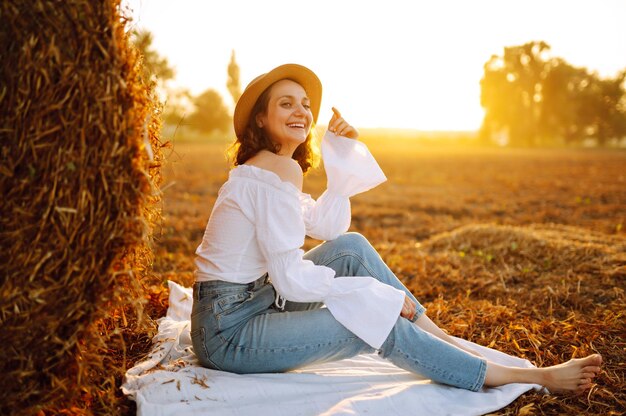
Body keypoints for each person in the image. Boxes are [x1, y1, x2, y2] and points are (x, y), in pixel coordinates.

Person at [191, 63, 601, 393]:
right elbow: (291, 280)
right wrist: (374, 295)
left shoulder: (275, 169)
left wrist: (342, 155)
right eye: (286, 104)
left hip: (256, 301)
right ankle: (525, 377)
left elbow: (330, 227)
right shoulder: (270, 172)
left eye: (304, 104)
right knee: (369, 314)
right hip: (228, 332)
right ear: (260, 119)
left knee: (351, 248)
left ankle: (440, 338)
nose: (301, 111)